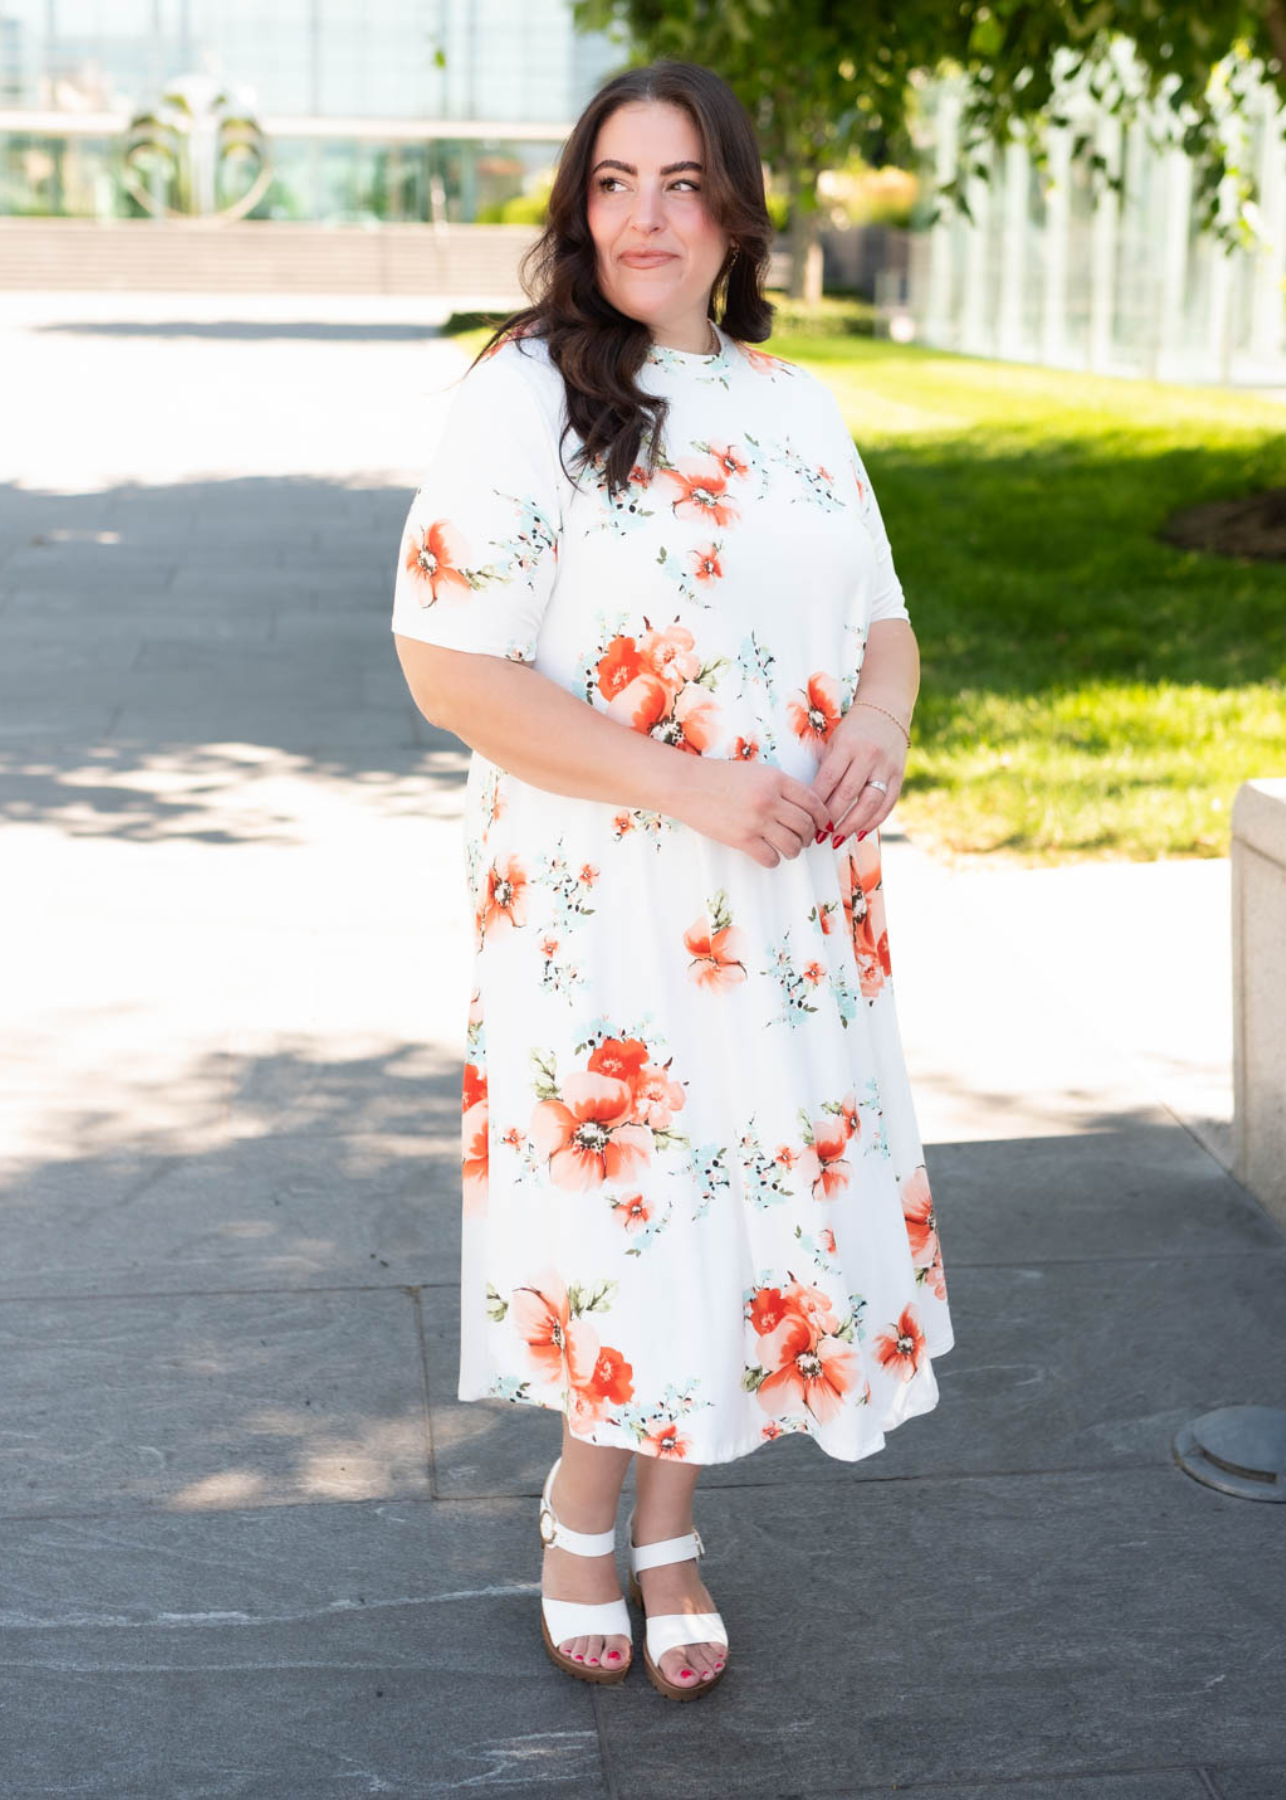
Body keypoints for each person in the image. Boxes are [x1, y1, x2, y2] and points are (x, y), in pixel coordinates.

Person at [391, 58, 954, 1703]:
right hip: (610, 893)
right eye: (614, 181)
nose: (644, 215)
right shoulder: (523, 392)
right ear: (579, 206)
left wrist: (880, 724)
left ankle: (672, 1525)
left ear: (734, 213)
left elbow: (885, 624)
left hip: (786, 900)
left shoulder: (793, 403)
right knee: (638, 1199)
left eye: (680, 182)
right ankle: (584, 1506)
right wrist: (688, 784)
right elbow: (451, 671)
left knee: (748, 1199)